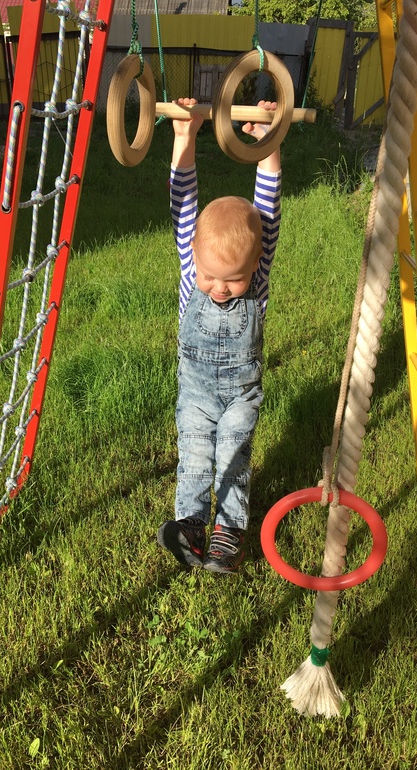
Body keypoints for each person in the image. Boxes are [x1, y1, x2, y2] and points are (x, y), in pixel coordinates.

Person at [157, 97, 282, 574]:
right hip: (196, 393)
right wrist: (184, 136)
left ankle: (229, 535)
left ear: (256, 265)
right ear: (195, 257)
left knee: (232, 455)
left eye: (234, 279)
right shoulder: (194, 271)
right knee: (193, 454)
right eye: (211, 276)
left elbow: (268, 206)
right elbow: (182, 203)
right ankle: (191, 526)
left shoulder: (257, 279)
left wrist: (268, 143)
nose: (220, 288)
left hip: (239, 397)